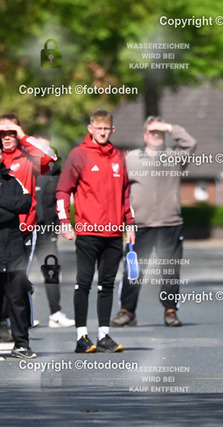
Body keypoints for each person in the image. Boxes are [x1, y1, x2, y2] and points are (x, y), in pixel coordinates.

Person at [56, 109, 135, 353]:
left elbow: (125, 194)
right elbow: (62, 190)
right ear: (90, 129)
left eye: (106, 129)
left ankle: (103, 336)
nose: (102, 133)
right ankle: (81, 337)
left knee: (107, 284)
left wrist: (130, 223)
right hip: (88, 231)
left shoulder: (118, 156)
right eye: (98, 128)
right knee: (83, 283)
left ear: (112, 130)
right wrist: (64, 221)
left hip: (113, 233)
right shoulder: (78, 155)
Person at [111, 117, 195, 328]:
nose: (156, 135)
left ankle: (170, 311)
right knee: (133, 270)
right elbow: (120, 190)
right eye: (152, 131)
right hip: (140, 225)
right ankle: (127, 311)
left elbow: (190, 143)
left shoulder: (175, 157)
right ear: (145, 135)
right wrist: (125, 222)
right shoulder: (131, 159)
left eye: (160, 132)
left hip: (170, 223)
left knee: (170, 270)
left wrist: (169, 126)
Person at [0, 114, 58, 335]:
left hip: (23, 231)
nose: (7, 137)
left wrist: (23, 136)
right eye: (2, 133)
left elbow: (50, 159)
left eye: (11, 133)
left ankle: (19, 328)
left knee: (17, 280)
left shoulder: (28, 158)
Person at [32, 133, 75, 328]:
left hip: (46, 231)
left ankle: (55, 314)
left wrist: (59, 224)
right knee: (18, 275)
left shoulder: (55, 172)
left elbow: (60, 200)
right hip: (25, 230)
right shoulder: (23, 169)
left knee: (51, 271)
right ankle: (23, 316)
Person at [0, 149, 36, 358]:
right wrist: (9, 206)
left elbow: (25, 203)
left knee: (18, 300)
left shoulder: (12, 180)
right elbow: (11, 209)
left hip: (13, 251)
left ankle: (22, 344)